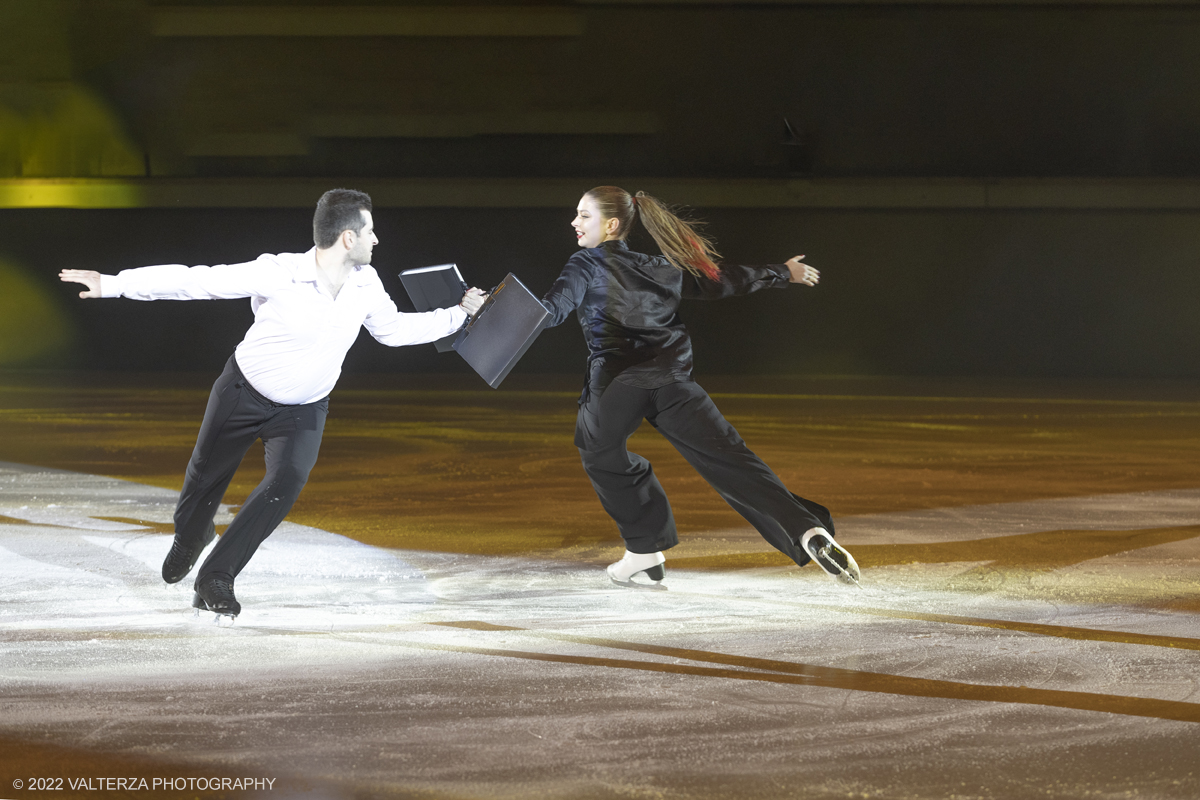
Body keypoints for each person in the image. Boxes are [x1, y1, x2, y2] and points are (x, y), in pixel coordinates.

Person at [59, 188, 487, 619]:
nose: (377, 239)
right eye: (370, 230)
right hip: (242, 392)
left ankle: (216, 577)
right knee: (201, 487)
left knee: (286, 483)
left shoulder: (365, 283)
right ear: (347, 239)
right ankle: (191, 537)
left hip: (304, 409)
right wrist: (114, 284)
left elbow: (391, 330)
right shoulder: (279, 272)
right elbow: (197, 280)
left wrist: (458, 316)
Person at [540, 186, 860, 588]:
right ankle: (806, 530)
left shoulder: (585, 262)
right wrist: (782, 272)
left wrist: (489, 310)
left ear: (612, 224)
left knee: (598, 450)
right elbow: (719, 280)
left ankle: (643, 550)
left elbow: (549, 312)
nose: (574, 222)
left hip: (617, 382)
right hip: (673, 379)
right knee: (731, 460)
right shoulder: (661, 266)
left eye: (584, 215)